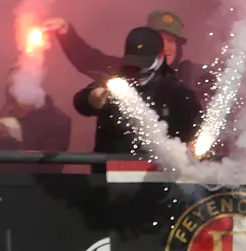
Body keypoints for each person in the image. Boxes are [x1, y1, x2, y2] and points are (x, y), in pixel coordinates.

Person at [74, 27, 203, 155]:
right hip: (112, 164)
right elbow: (81, 101)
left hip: (162, 166)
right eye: (135, 62)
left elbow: (195, 123)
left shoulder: (177, 90)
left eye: (145, 63)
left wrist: (193, 142)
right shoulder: (115, 80)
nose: (140, 68)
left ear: (160, 57)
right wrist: (92, 98)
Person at [44, 10, 207, 93]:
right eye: (159, 39)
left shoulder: (192, 75)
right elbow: (90, 60)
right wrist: (66, 32)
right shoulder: (128, 71)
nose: (165, 47)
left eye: (171, 41)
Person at [0, 68, 73, 152]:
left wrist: (9, 142)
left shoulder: (57, 122)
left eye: (14, 86)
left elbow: (47, 158)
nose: (9, 91)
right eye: (9, 86)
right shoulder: (8, 113)